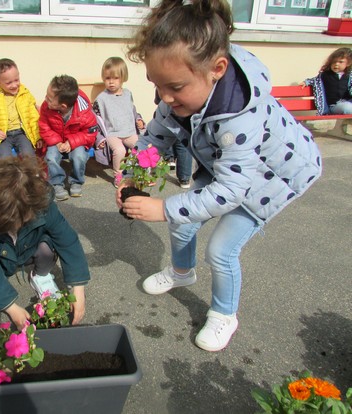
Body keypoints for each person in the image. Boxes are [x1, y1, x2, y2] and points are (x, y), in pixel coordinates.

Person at [119, 0, 322, 352]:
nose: (164, 97)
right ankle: (183, 273)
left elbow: (230, 191)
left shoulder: (238, 114)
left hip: (268, 180)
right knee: (184, 221)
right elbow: (155, 136)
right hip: (228, 169)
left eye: (175, 87)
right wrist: (130, 174)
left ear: (217, 68)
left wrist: (162, 208)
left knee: (221, 249)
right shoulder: (182, 90)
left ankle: (225, 315)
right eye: (157, 84)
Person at [0, 155, 90, 330]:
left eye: (21, 218)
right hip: (0, 256)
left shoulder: (43, 206)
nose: (16, 225)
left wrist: (78, 288)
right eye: (9, 221)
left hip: (28, 250)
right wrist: (11, 308)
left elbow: (68, 242)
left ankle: (41, 276)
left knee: (47, 248)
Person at [39, 75, 98, 201]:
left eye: (49, 99)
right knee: (51, 157)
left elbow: (90, 133)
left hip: (77, 141)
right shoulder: (46, 107)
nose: (45, 100)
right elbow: (43, 126)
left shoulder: (84, 112)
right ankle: (56, 184)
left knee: (79, 156)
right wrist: (57, 141)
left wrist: (71, 142)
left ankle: (76, 181)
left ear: (63, 106)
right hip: (56, 139)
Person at [92, 57, 145, 188]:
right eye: (107, 78)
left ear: (123, 78)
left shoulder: (128, 94)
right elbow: (96, 120)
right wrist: (99, 139)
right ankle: (118, 175)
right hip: (112, 133)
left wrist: (139, 120)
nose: (111, 82)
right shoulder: (101, 99)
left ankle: (140, 173)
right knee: (119, 150)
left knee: (140, 148)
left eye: (115, 78)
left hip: (129, 131)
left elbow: (132, 111)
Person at [0, 58, 42, 158]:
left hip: (22, 134)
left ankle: (31, 174)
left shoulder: (25, 95)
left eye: (16, 80)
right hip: (3, 136)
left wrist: (38, 137)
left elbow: (33, 117)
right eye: (8, 83)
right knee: (5, 158)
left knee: (29, 155)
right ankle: (8, 174)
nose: (14, 85)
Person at [300, 47, 352, 115]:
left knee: (348, 106)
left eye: (340, 62)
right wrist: (306, 82)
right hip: (334, 106)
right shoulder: (325, 75)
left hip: (348, 102)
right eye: (334, 62)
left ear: (348, 63)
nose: (336, 64)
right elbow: (315, 80)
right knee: (347, 107)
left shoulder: (349, 76)